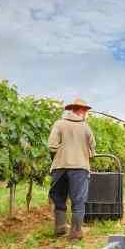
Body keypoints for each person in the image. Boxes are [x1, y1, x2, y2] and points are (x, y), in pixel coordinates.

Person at [47, 98, 96, 241]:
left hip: (60, 167)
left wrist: (61, 155)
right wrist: (86, 155)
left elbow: (52, 145)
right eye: (85, 111)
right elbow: (93, 149)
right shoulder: (86, 127)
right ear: (81, 111)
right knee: (78, 200)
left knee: (59, 197)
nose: (86, 114)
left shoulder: (59, 124)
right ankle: (75, 233)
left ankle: (60, 227)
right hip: (80, 168)